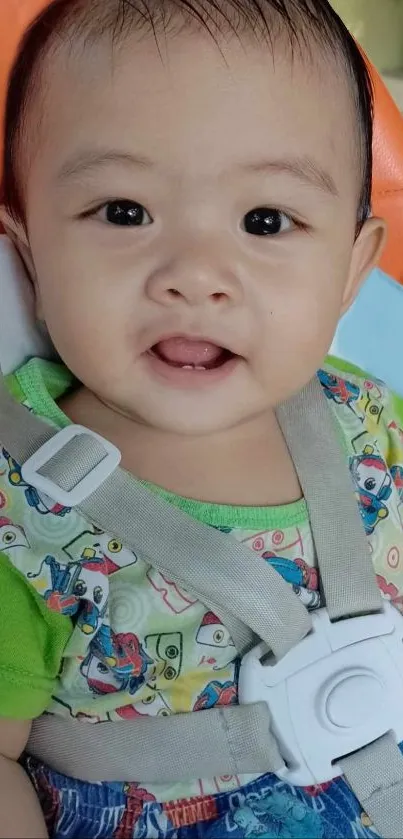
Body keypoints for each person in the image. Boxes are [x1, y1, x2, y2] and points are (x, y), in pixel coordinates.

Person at [0, 0, 399, 836]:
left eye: (265, 220)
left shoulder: (370, 423)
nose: (194, 275)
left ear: (350, 272)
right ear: (29, 252)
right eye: (124, 211)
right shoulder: (19, 516)